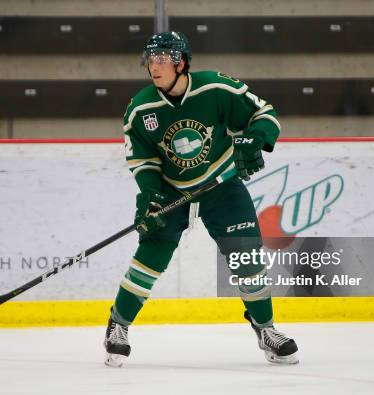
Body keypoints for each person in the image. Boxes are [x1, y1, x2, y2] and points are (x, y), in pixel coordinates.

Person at [104, 31, 298, 367]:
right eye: (151, 60)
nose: (155, 66)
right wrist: (149, 194)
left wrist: (255, 138)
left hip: (221, 185)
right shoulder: (140, 109)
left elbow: (264, 114)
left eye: (162, 59)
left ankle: (265, 329)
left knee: (246, 258)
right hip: (170, 189)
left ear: (181, 62)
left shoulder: (215, 88)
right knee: (150, 258)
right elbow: (143, 160)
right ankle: (117, 326)